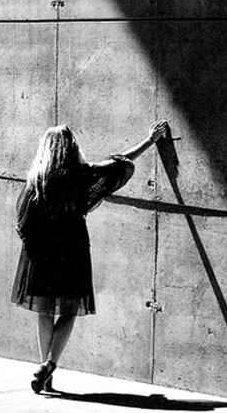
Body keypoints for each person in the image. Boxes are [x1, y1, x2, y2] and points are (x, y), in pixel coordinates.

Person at [11, 120, 169, 393]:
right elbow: (119, 162)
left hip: (42, 256)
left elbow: (23, 223)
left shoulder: (35, 179)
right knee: (69, 312)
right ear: (71, 148)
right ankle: (50, 364)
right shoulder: (80, 175)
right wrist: (149, 140)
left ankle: (45, 371)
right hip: (73, 253)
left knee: (44, 311)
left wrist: (36, 248)